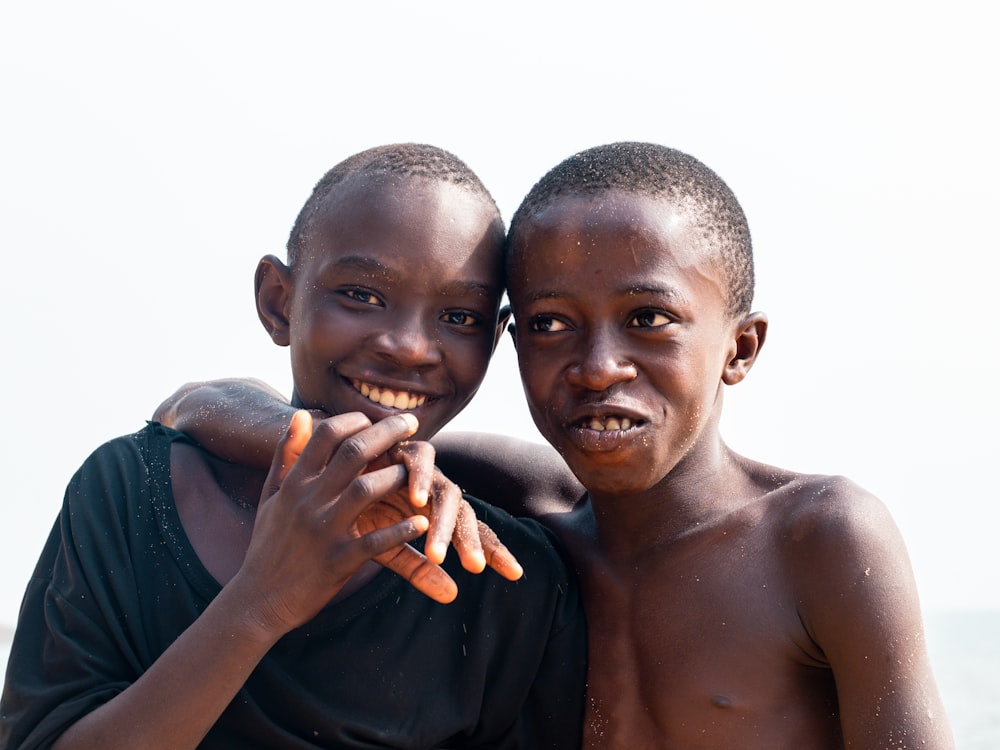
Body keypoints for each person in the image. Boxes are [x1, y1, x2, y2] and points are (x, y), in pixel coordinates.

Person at [148, 142, 955, 749]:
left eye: (649, 318)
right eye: (550, 325)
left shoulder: (819, 537)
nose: (599, 366)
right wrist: (325, 447)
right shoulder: (509, 514)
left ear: (740, 348)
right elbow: (194, 403)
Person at [0, 144, 586, 749]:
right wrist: (261, 603)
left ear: (494, 339)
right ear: (278, 302)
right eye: (362, 295)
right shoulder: (130, 492)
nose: (410, 346)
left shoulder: (506, 580)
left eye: (459, 317)